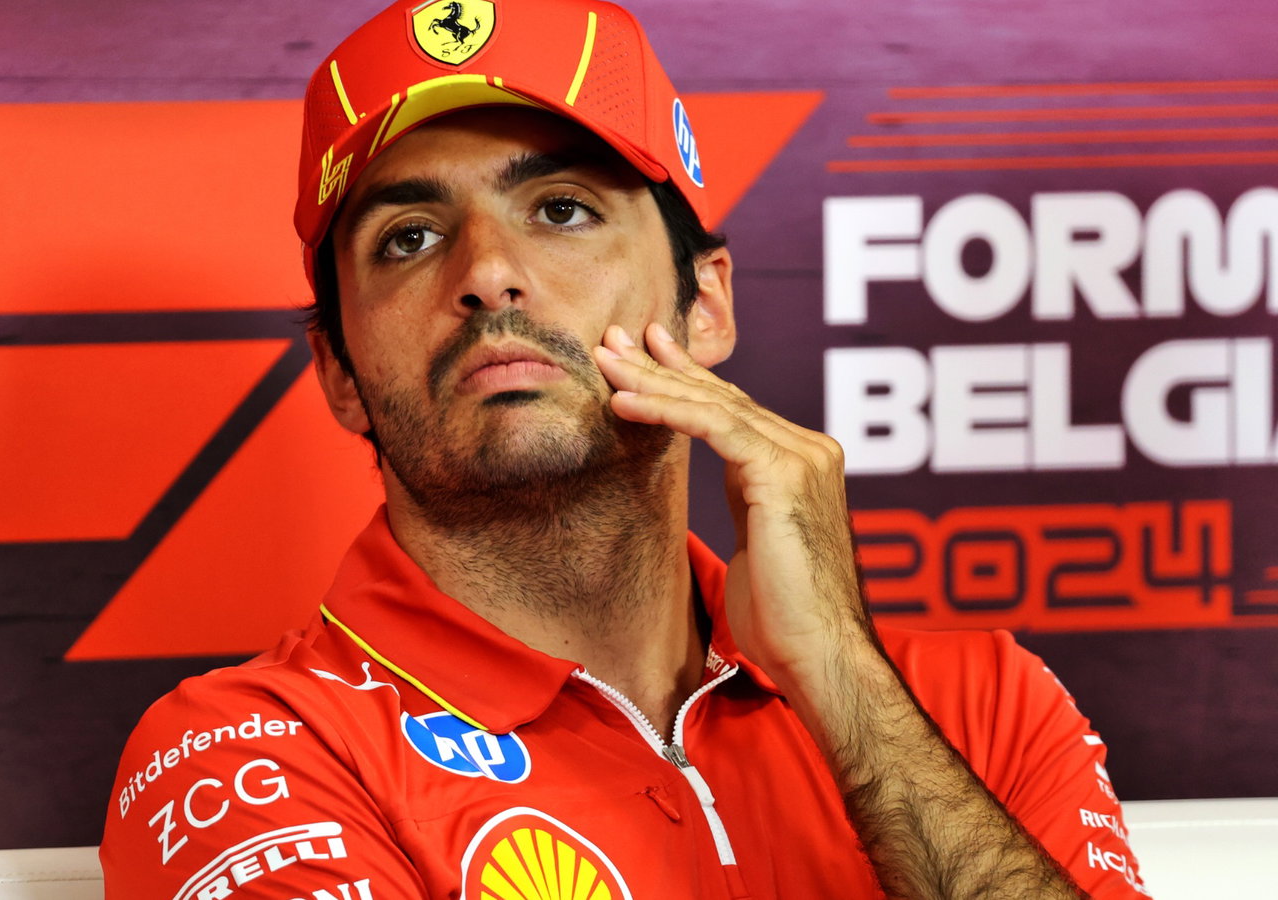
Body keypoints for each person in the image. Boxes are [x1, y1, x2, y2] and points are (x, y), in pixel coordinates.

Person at [101, 1, 1149, 897]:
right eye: (408, 236)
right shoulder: (252, 754)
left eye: (561, 210)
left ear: (703, 307)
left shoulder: (978, 706)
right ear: (339, 371)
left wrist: (841, 674)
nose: (488, 273)